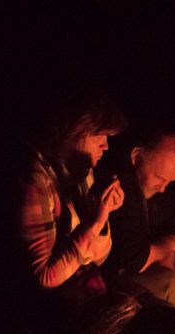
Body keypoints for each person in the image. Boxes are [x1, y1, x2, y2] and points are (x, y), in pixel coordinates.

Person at [17, 94, 127, 303]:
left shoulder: (81, 173)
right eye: (99, 136)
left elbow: (98, 258)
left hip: (79, 291)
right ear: (72, 131)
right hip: (42, 306)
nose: (106, 146)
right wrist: (95, 222)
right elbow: (45, 277)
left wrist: (101, 218)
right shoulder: (35, 184)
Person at [99, 130, 175, 309]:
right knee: (169, 283)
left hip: (144, 273)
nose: (163, 188)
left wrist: (165, 252)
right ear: (136, 156)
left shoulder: (160, 192)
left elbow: (174, 235)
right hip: (111, 283)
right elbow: (131, 260)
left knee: (172, 276)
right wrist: (165, 245)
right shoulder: (118, 188)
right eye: (159, 178)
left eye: (170, 182)